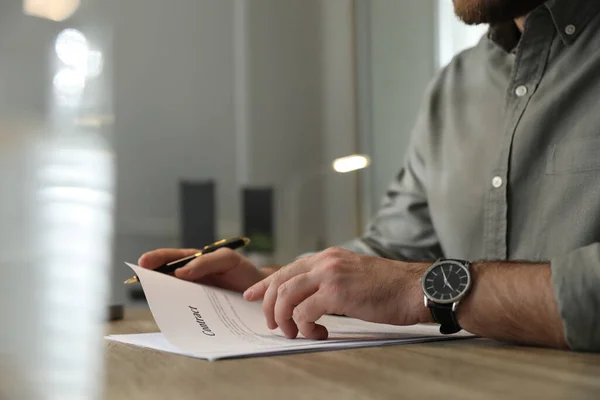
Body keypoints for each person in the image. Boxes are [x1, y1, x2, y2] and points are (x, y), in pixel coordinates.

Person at [140, 0, 600, 351]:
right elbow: (391, 256)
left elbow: (404, 280)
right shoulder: (453, 88)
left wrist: (423, 288)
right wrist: (269, 283)